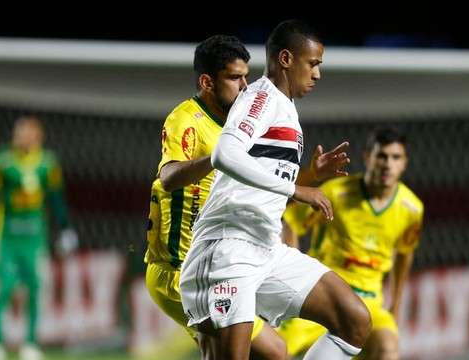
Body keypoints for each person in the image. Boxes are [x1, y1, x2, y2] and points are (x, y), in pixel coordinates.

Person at [145, 34, 350, 360]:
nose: (244, 85)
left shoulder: (246, 120)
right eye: (234, 77)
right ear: (207, 82)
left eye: (246, 76)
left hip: (229, 258)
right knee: (271, 351)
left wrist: (310, 177)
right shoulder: (188, 119)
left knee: (257, 351)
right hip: (178, 266)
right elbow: (168, 178)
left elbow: (269, 189)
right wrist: (217, 158)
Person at [278, 127, 424, 360]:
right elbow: (291, 221)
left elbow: (405, 253)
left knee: (387, 346)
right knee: (273, 349)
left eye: (395, 157)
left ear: (404, 163)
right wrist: (293, 272)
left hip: (370, 303)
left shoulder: (412, 209)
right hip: (324, 296)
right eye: (381, 156)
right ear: (368, 158)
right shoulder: (336, 193)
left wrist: (395, 306)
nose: (388, 164)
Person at [0, 116, 78, 360]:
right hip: (6, 235)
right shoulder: (1, 162)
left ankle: (30, 344)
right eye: (20, 133)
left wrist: (65, 228)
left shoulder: (47, 164)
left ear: (38, 137)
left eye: (28, 134)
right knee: (5, 286)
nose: (23, 138)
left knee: (35, 287)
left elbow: (55, 198)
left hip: (34, 237)